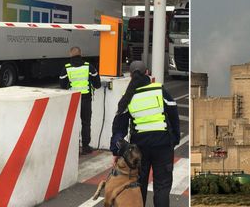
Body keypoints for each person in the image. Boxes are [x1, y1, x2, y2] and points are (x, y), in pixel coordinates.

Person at [110, 61, 180, 207]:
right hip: (163, 146)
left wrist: (116, 151)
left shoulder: (127, 97)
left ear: (130, 75)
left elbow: (118, 128)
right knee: (162, 187)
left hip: (139, 150)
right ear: (147, 72)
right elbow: (174, 116)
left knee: (138, 186)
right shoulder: (159, 90)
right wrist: (175, 139)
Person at [60, 46, 101, 155]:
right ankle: (86, 147)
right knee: (86, 123)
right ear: (81, 54)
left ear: (70, 55)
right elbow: (98, 84)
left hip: (73, 100)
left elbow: (62, 86)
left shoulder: (66, 68)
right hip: (86, 99)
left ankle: (72, 147)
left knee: (72, 124)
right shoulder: (89, 67)